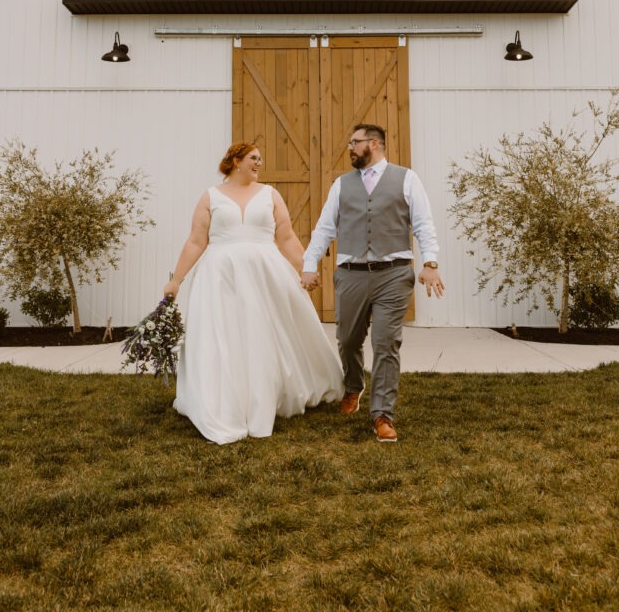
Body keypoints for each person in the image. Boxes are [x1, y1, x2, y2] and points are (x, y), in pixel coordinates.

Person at [163, 141, 343, 445]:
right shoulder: (211, 196)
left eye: (260, 159)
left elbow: (285, 237)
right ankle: (226, 400)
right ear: (235, 161)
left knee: (263, 333)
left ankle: (265, 395)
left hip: (265, 272)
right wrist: (176, 280)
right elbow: (196, 241)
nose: (259, 163)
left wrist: (305, 269)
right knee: (225, 336)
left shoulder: (271, 195)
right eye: (253, 158)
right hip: (220, 276)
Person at [301, 124, 445, 444]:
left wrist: (430, 263)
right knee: (347, 339)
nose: (350, 147)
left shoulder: (406, 178)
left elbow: (423, 224)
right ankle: (354, 385)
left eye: (355, 142)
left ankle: (382, 414)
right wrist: (309, 265)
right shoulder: (341, 185)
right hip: (350, 272)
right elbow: (325, 228)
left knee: (386, 343)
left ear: (375, 144)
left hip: (393, 273)